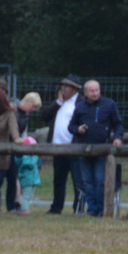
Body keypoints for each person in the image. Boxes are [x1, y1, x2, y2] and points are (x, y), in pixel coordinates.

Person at [67, 79, 122, 216]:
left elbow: (118, 124)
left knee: (100, 180)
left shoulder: (109, 104)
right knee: (87, 181)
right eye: (91, 91)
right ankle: (92, 209)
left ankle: (102, 208)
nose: (95, 93)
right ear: (85, 93)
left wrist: (117, 137)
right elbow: (71, 126)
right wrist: (78, 129)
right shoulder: (80, 107)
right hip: (84, 149)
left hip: (103, 149)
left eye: (97, 90)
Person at [45, 76, 82, 213]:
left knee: (77, 180)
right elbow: (45, 116)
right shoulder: (59, 103)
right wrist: (58, 103)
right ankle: (56, 207)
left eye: (67, 86)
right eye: (63, 85)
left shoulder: (80, 103)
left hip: (74, 148)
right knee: (58, 180)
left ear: (75, 89)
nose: (64, 88)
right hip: (58, 148)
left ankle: (78, 208)